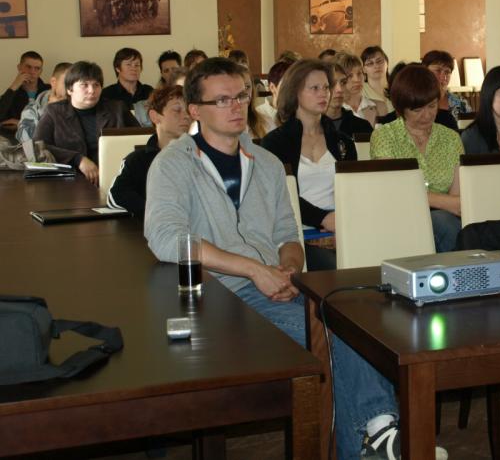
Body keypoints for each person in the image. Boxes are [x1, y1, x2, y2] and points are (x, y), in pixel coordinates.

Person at [143, 58, 432, 460]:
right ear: (195, 110)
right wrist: (254, 271)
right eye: (222, 100)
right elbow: (166, 238)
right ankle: (379, 432)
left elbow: (287, 234)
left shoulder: (265, 163)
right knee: (332, 337)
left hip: (279, 285)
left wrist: (290, 269)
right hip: (219, 292)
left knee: (358, 325)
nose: (236, 106)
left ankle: (374, 438)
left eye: (241, 96)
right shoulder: (173, 165)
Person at [262, 60, 358, 271]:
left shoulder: (342, 142)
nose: (324, 94)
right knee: (332, 268)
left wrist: (341, 225)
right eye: (314, 88)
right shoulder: (274, 143)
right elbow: (281, 196)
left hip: (340, 226)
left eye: (326, 87)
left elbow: (354, 191)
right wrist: (323, 218)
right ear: (295, 92)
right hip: (296, 232)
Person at [370, 64, 463, 252]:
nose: (427, 115)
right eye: (417, 109)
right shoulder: (385, 136)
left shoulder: (451, 138)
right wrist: (438, 200)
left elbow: (458, 201)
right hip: (400, 218)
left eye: (432, 106)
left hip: (446, 219)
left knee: (448, 224)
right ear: (401, 108)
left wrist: (422, 197)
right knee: (445, 224)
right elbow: (395, 193)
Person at [35, 61, 138, 184]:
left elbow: (141, 140)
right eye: (84, 85)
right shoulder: (54, 112)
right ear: (70, 89)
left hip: (115, 177)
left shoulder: (117, 109)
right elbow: (38, 146)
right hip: (69, 180)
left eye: (96, 85)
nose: (91, 90)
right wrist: (78, 159)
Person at [108, 85, 191, 217]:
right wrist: (156, 212)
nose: (186, 116)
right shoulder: (138, 160)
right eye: (177, 110)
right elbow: (116, 195)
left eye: (188, 110)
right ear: (155, 116)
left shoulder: (200, 155)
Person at [16, 62, 71, 143]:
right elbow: (28, 141)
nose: (72, 88)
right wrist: (51, 112)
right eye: (68, 83)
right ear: (54, 82)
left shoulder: (80, 105)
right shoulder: (32, 109)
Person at [0, 51, 49, 129]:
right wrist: (14, 85)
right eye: (28, 67)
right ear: (19, 67)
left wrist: (22, 123)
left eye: (37, 68)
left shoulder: (49, 90)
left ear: (41, 71)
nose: (32, 72)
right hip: (15, 136)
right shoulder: (12, 93)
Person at [325, 60, 374, 136]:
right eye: (332, 83)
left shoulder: (363, 126)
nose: (339, 89)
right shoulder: (309, 127)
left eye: (343, 82)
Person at [422, 50, 471, 122]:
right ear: (424, 71)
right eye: (438, 71)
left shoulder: (461, 103)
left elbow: (468, 126)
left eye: (447, 72)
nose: (443, 77)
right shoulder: (416, 100)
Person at [334, 52, 377, 126]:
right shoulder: (333, 111)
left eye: (359, 73)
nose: (356, 80)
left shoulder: (378, 106)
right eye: (350, 76)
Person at [257, 59, 293, 133]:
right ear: (272, 87)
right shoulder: (258, 116)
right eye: (287, 85)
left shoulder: (300, 113)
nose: (293, 89)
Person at [361, 45, 393, 117]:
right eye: (370, 63)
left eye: (379, 61)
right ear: (363, 69)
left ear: (387, 63)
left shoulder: (396, 87)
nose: (376, 66)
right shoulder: (360, 91)